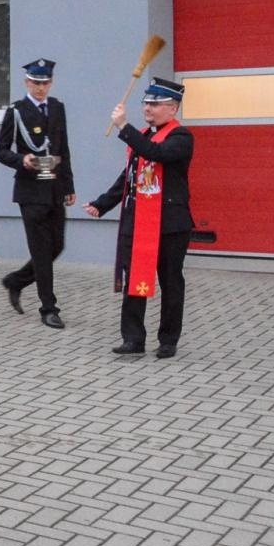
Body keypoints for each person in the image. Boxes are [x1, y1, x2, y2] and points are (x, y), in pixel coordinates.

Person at [85, 78, 194, 359]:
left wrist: (124, 127)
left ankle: (168, 340)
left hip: (170, 225)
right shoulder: (143, 135)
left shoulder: (181, 137)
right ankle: (133, 339)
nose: (147, 107)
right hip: (141, 222)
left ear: (172, 108)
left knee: (170, 282)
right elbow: (129, 179)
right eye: (145, 102)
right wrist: (101, 204)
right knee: (135, 280)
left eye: (155, 103)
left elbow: (156, 155)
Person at [0, 58, 77, 329]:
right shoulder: (16, 111)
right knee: (41, 251)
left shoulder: (57, 108)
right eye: (35, 83)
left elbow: (63, 149)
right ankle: (48, 308)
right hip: (30, 191)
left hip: (53, 186)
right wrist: (22, 160)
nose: (40, 88)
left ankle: (16, 281)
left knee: (58, 245)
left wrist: (69, 186)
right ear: (26, 82)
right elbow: (1, 150)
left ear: (51, 83)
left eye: (45, 83)